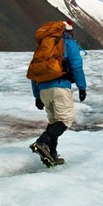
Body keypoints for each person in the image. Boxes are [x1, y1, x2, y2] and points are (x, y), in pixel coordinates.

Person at [30, 20, 87, 167]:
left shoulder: (43, 46)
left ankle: (52, 154)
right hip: (60, 87)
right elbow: (76, 65)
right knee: (65, 120)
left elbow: (36, 70)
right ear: (68, 31)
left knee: (54, 122)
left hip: (43, 89)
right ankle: (43, 142)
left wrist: (37, 96)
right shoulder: (68, 44)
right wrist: (82, 87)